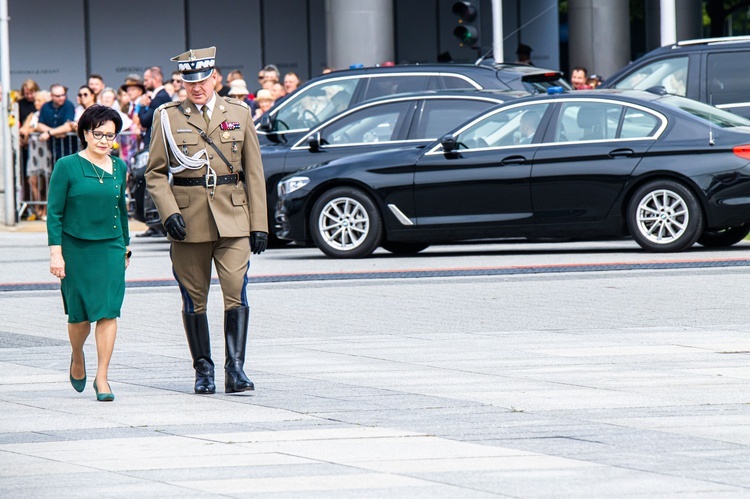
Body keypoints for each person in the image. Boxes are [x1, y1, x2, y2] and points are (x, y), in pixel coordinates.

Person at [145, 46, 268, 395]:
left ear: (215, 77)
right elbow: (154, 173)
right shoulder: (167, 116)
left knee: (235, 293)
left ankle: (236, 369)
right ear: (181, 82)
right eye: (189, 81)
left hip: (233, 216)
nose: (196, 87)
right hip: (189, 218)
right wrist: (168, 212)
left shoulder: (239, 113)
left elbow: (254, 173)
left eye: (202, 80)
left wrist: (259, 223)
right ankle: (203, 370)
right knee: (194, 299)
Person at [46, 104, 129, 402]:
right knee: (79, 315)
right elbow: (54, 213)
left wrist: (126, 247)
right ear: (85, 133)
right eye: (99, 134)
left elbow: (121, 210)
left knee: (109, 310)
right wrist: (56, 254)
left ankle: (103, 377)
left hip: (111, 247)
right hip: (75, 247)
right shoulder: (66, 166)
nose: (105, 141)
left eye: (111, 135)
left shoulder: (120, 167)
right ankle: (77, 355)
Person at [19, 90, 52, 221]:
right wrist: (30, 130)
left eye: (39, 100)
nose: (36, 103)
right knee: (32, 181)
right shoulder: (33, 115)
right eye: (36, 100)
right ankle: (38, 207)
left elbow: (42, 127)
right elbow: (23, 130)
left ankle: (46, 209)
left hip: (46, 152)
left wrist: (32, 130)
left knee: (47, 182)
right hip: (33, 153)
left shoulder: (47, 114)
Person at [37, 84, 77, 160]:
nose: (61, 98)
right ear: (51, 96)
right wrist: (56, 133)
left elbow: (68, 126)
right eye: (58, 96)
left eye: (63, 95)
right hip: (50, 148)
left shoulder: (68, 105)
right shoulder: (45, 106)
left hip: (67, 149)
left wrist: (49, 133)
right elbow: (39, 125)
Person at [138, 66, 172, 146]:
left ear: (155, 79)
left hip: (156, 143)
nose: (144, 83)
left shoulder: (160, 98)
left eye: (146, 80)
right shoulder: (160, 96)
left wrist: (142, 105)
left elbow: (145, 121)